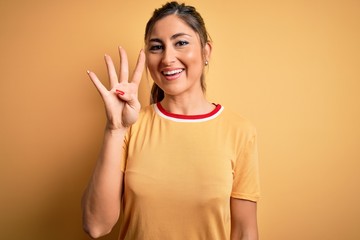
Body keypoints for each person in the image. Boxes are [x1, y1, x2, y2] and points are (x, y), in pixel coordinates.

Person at [81, 2, 260, 239]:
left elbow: (245, 231)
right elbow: (96, 226)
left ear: (206, 51)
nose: (167, 58)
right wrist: (114, 129)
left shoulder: (239, 131)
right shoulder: (130, 126)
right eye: (157, 47)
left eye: (181, 43)